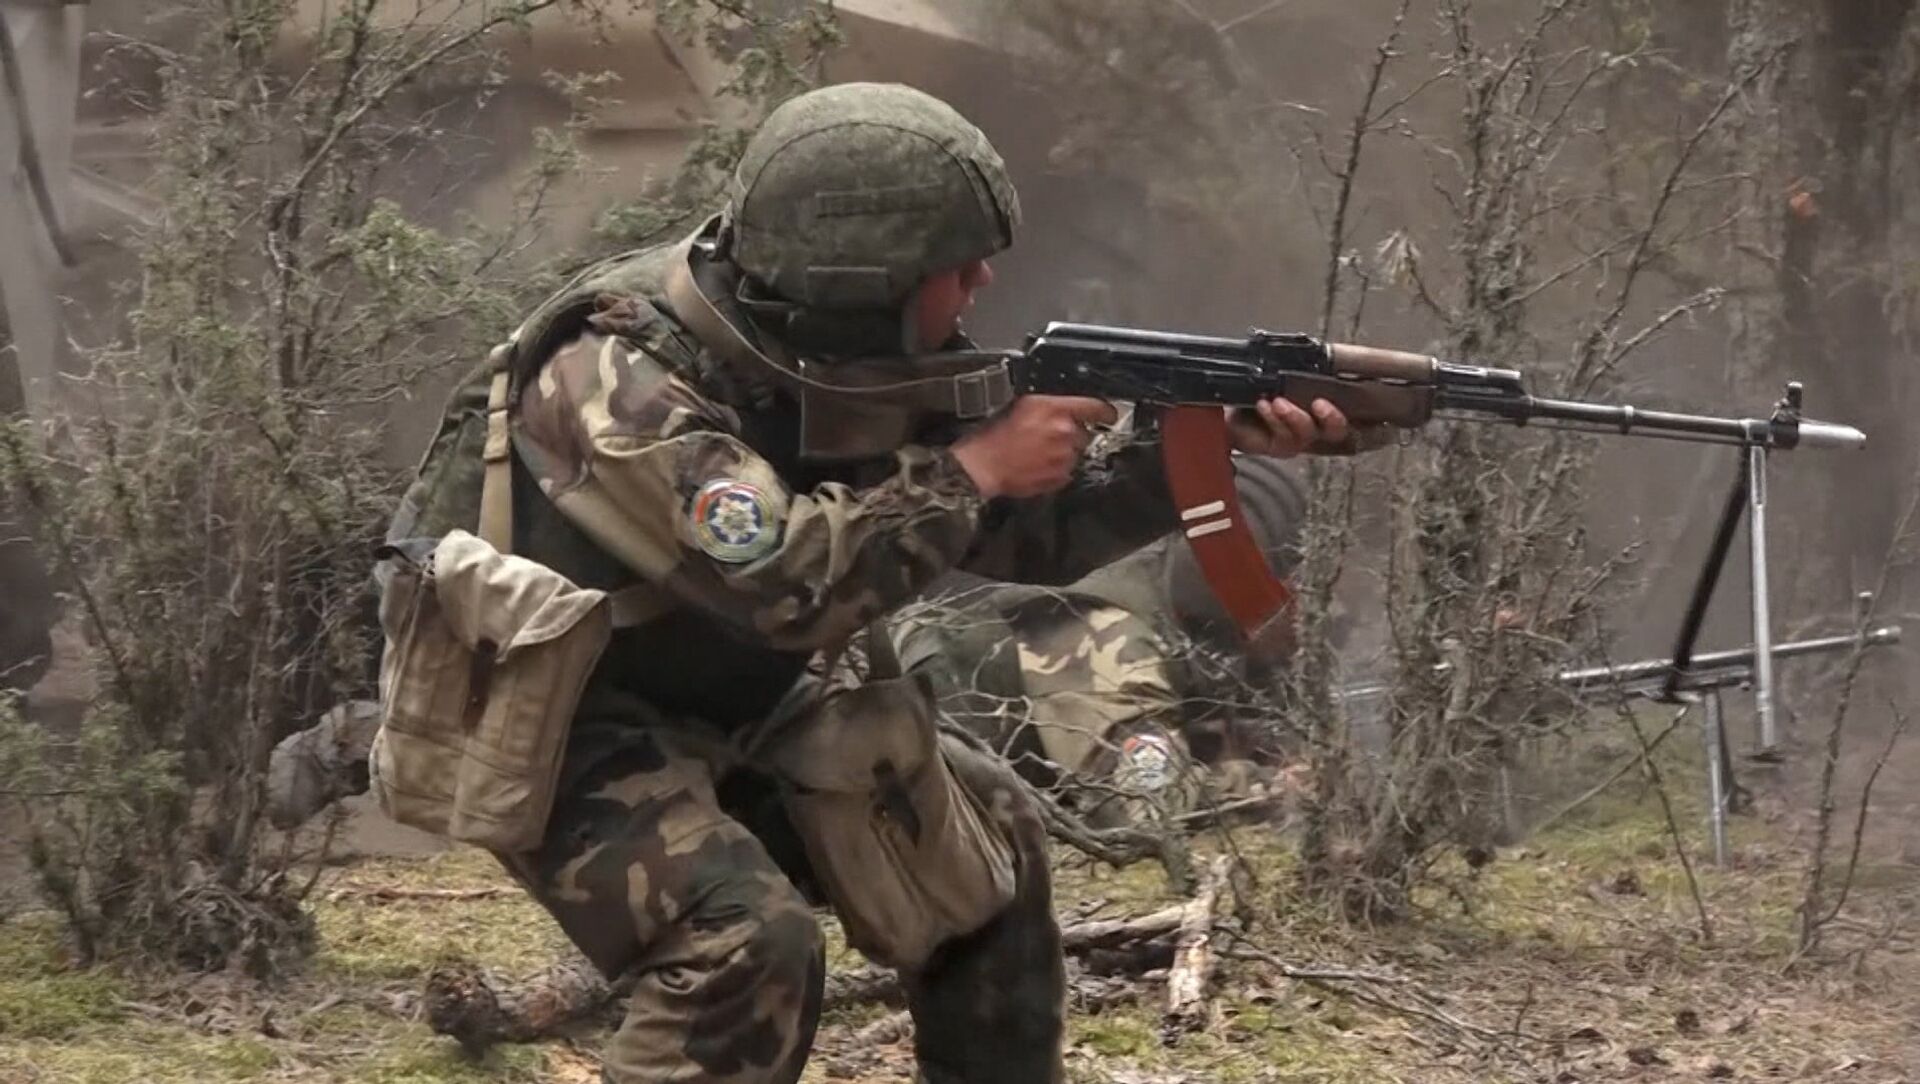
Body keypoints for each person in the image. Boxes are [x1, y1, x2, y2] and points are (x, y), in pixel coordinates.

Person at [381, 82, 1371, 1084]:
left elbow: (1027, 539)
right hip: (558, 712)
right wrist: (974, 470)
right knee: (744, 936)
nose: (983, 280)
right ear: (861, 278)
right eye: (955, 265)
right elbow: (782, 583)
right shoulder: (616, 376)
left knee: (989, 849)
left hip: (730, 682)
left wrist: (1188, 455)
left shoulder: (845, 348)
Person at [890, 457, 1321, 828]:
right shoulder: (1105, 631)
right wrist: (1281, 787)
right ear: (1248, 583)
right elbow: (1146, 806)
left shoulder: (1184, 617)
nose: (1314, 615)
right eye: (1302, 589)